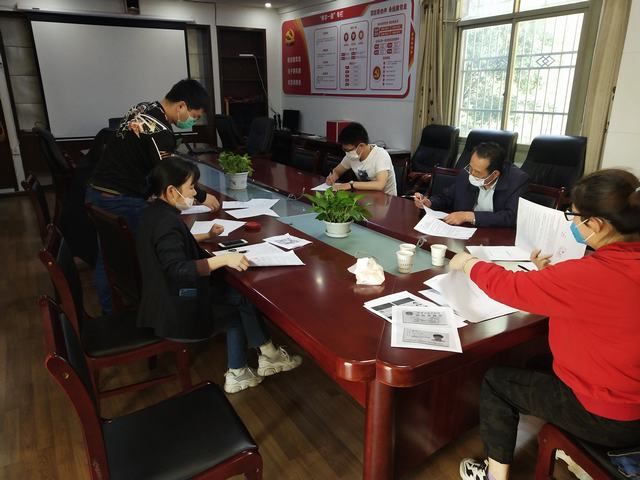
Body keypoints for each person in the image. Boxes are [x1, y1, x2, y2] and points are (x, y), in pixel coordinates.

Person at [449, 168, 640, 480]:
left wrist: (469, 263)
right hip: (630, 397)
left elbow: (511, 288)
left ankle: (493, 476)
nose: (573, 223)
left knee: (497, 382)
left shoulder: (591, 274)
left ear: (596, 224)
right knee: (536, 363)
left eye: (574, 215)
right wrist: (550, 277)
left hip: (610, 416)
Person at [136, 156, 302, 394]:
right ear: (172, 191)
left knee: (239, 294)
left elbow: (170, 246)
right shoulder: (167, 223)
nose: (195, 193)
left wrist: (206, 236)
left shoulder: (154, 213)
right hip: (176, 309)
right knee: (237, 310)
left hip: (161, 300)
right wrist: (223, 259)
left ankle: (268, 355)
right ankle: (240, 371)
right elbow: (177, 269)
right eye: (191, 187)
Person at [87, 79, 220, 313]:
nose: (193, 121)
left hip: (98, 191)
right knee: (159, 244)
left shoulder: (144, 108)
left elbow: (144, 159)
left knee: (108, 254)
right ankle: (156, 306)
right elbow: (169, 174)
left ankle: (110, 309)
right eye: (194, 116)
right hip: (120, 199)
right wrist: (201, 195)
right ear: (181, 105)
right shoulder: (159, 130)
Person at [413, 142, 528, 227]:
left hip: (497, 237)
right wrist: (430, 202)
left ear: (494, 174)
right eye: (471, 168)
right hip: (465, 231)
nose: (471, 173)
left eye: (477, 172)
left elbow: (510, 217)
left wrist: (468, 216)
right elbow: (448, 197)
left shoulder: (517, 180)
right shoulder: (467, 172)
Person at [325, 122, 397, 196]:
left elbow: (380, 184)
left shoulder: (381, 155)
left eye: (348, 150)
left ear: (361, 146)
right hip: (366, 196)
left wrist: (351, 184)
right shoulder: (351, 156)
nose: (346, 153)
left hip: (387, 199)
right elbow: (337, 171)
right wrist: (332, 177)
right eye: (344, 150)